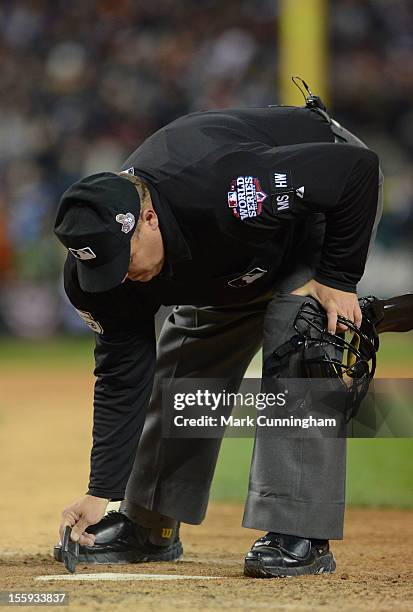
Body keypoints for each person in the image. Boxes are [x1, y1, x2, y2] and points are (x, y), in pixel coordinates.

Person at [53, 97, 383, 577]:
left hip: (318, 205)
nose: (118, 279)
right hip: (232, 254)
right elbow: (122, 376)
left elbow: (354, 169)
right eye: (103, 270)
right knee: (189, 343)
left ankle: (300, 530)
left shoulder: (227, 188)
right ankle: (149, 524)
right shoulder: (100, 274)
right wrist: (100, 489)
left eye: (122, 262)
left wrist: (338, 277)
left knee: (301, 329)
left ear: (147, 218)